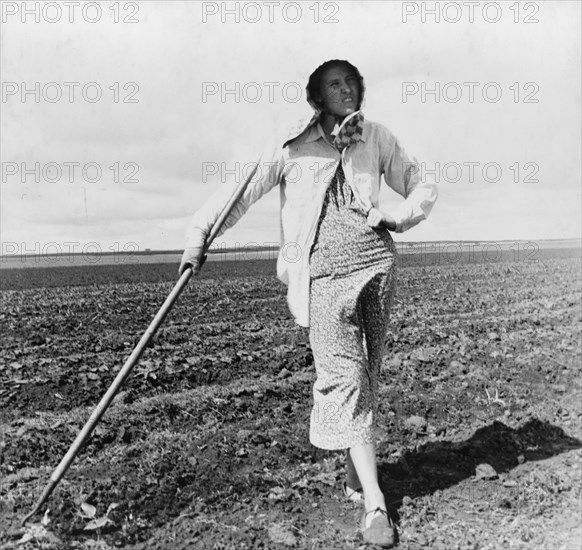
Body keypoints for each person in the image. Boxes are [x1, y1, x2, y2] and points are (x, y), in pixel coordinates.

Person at [180, 59, 438, 548]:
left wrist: (397, 216)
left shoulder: (377, 137)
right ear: (316, 98)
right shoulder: (292, 146)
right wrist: (198, 237)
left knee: (368, 372)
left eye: (351, 83)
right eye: (333, 85)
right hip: (321, 278)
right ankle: (376, 506)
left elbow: (422, 183)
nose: (345, 90)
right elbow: (241, 189)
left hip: (375, 267)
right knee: (347, 378)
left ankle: (353, 472)